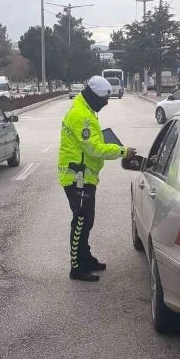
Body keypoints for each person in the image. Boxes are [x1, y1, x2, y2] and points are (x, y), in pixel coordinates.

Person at [59, 75, 137, 282]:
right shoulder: (81, 115)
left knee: (87, 220)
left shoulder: (86, 110)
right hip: (77, 176)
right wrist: (122, 150)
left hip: (84, 175)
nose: (105, 103)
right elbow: (93, 148)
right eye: (104, 99)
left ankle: (85, 258)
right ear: (94, 96)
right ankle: (76, 266)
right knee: (81, 220)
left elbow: (93, 141)